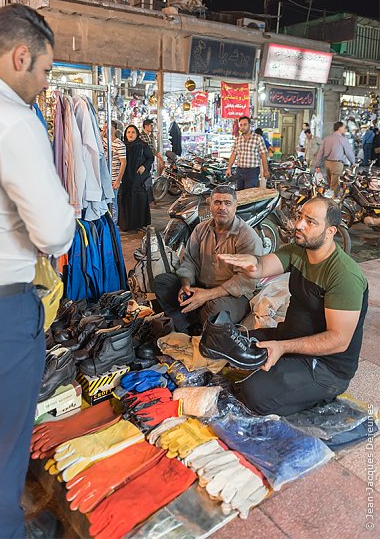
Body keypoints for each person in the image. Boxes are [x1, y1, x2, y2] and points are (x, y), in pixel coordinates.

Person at [0, 4, 75, 538]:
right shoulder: (9, 118)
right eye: (46, 71)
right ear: (21, 55)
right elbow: (53, 232)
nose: (46, 85)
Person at [219, 196, 368, 416]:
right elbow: (262, 265)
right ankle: (282, 372)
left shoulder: (344, 275)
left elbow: (339, 340)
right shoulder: (298, 251)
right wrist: (252, 265)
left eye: (310, 221)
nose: (299, 225)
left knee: (254, 393)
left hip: (327, 366)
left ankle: (319, 395)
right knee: (230, 344)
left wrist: (283, 348)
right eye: (300, 217)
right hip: (289, 338)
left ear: (331, 232)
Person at [153, 185, 263, 334]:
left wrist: (207, 296)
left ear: (235, 207)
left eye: (227, 203)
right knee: (162, 282)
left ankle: (191, 321)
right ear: (210, 206)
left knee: (214, 309)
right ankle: (188, 327)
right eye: (217, 202)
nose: (222, 207)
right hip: (200, 287)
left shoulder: (247, 236)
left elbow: (245, 281)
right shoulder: (200, 229)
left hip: (233, 295)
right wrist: (186, 284)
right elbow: (189, 261)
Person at [118, 124, 154, 232]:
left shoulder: (142, 145)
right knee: (125, 199)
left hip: (138, 178)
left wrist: (144, 166)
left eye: (133, 132)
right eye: (128, 132)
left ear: (137, 134)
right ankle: (126, 224)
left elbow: (150, 158)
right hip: (125, 178)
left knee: (139, 199)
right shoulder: (122, 145)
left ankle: (139, 224)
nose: (130, 134)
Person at [226, 116, 270, 190]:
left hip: (252, 171)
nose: (242, 127)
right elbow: (233, 154)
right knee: (239, 193)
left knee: (249, 193)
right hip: (239, 170)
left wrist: (266, 170)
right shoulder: (238, 139)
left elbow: (263, 155)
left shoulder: (258, 138)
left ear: (250, 125)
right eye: (241, 125)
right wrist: (229, 168)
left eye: (245, 124)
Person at [315, 121, 355, 196]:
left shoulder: (326, 138)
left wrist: (317, 165)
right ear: (339, 128)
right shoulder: (343, 139)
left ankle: (328, 200)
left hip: (327, 163)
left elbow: (320, 152)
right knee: (334, 186)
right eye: (344, 127)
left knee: (330, 184)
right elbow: (349, 152)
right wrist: (353, 162)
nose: (345, 129)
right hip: (337, 164)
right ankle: (332, 204)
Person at [102, 119, 126, 223]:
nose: (106, 129)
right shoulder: (100, 140)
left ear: (115, 129)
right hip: (101, 177)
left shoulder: (119, 144)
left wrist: (118, 180)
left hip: (113, 178)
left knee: (113, 202)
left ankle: (113, 223)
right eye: (105, 127)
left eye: (109, 127)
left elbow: (123, 163)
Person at [139, 118, 164, 205]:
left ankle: (150, 199)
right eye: (151, 125)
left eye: (153, 126)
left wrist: (158, 156)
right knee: (147, 180)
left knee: (148, 179)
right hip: (144, 162)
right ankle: (150, 200)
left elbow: (153, 149)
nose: (152, 127)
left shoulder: (151, 136)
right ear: (145, 126)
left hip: (150, 161)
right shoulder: (141, 136)